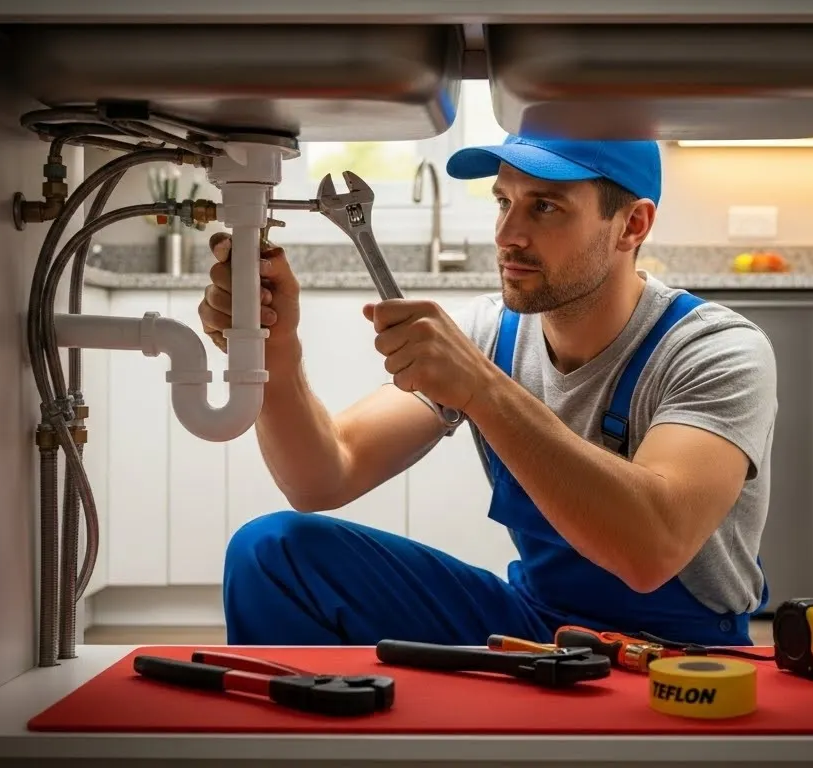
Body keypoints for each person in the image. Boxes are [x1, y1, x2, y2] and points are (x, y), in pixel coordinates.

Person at [198, 135, 778, 649]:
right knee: (273, 552)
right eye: (504, 201)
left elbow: (651, 551)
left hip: (679, 650)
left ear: (632, 225)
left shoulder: (714, 351)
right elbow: (323, 474)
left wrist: (482, 388)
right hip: (538, 626)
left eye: (545, 207)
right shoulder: (488, 332)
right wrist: (275, 345)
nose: (506, 235)